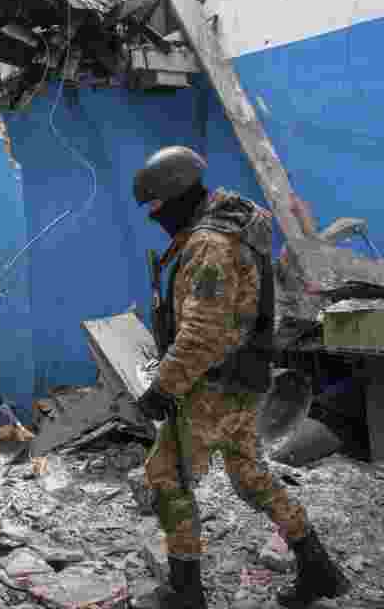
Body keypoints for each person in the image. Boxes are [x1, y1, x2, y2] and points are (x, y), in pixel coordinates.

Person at [131, 146, 350, 609]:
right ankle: (319, 568)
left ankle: (185, 593)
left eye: (155, 207)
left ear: (177, 195)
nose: (153, 217)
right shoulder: (235, 227)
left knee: (165, 476)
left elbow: (201, 333)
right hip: (241, 379)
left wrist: (161, 389)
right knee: (250, 476)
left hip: (211, 384)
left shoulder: (211, 244)